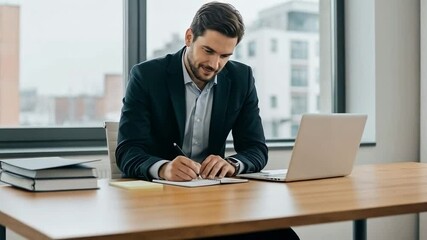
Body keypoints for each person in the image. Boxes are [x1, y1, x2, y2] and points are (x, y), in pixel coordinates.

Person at [116, 2, 299, 239]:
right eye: (208, 51)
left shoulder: (241, 78)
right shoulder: (147, 76)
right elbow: (128, 151)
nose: (215, 65)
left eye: (225, 56)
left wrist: (233, 164)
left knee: (283, 236)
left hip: (214, 200)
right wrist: (164, 168)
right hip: (158, 203)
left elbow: (256, 149)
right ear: (189, 37)